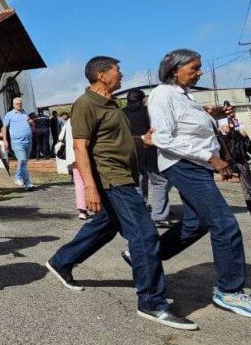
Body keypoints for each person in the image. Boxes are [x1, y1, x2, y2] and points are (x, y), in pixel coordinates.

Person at [45, 57, 195, 330]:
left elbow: (115, 139)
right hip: (111, 179)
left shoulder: (113, 103)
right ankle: (152, 302)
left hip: (125, 175)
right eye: (117, 70)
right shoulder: (86, 104)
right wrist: (90, 186)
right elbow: (80, 148)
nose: (122, 75)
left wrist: (143, 140)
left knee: (106, 226)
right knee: (144, 235)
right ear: (102, 75)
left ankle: (61, 261)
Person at [147, 49, 251, 321]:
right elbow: (163, 138)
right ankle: (230, 291)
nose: (199, 72)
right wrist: (212, 159)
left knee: (198, 222)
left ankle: (147, 255)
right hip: (183, 165)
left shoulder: (185, 96)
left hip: (198, 165)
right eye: (194, 68)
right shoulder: (162, 95)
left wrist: (213, 115)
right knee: (225, 224)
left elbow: (190, 127)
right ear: (175, 70)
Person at [123, 89, 172, 227]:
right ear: (143, 99)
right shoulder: (149, 112)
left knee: (138, 182)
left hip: (132, 152)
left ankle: (140, 212)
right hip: (151, 151)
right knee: (160, 182)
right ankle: (159, 216)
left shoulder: (122, 113)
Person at [54, 115, 88, 220]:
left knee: (78, 182)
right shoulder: (86, 118)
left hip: (73, 156)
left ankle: (82, 210)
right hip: (86, 155)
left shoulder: (69, 121)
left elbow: (60, 137)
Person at [2, 97, 34, 189]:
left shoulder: (25, 113)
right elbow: (4, 127)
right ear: (13, 105)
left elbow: (31, 123)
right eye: (17, 103)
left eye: (20, 103)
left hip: (28, 141)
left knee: (23, 162)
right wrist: (5, 140)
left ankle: (23, 181)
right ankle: (24, 180)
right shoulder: (9, 115)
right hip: (17, 142)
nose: (19, 105)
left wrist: (31, 121)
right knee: (22, 160)